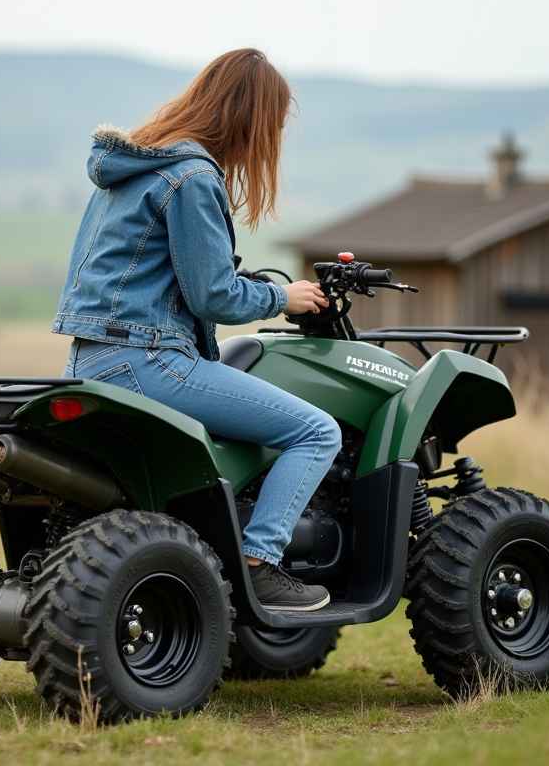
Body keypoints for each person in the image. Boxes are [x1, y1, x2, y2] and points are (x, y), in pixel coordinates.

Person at [53, 49, 339, 612]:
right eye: (273, 127)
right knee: (317, 432)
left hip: (90, 361)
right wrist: (285, 295)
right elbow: (214, 296)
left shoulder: (131, 169)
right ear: (249, 119)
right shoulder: (192, 176)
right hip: (148, 360)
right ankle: (259, 564)